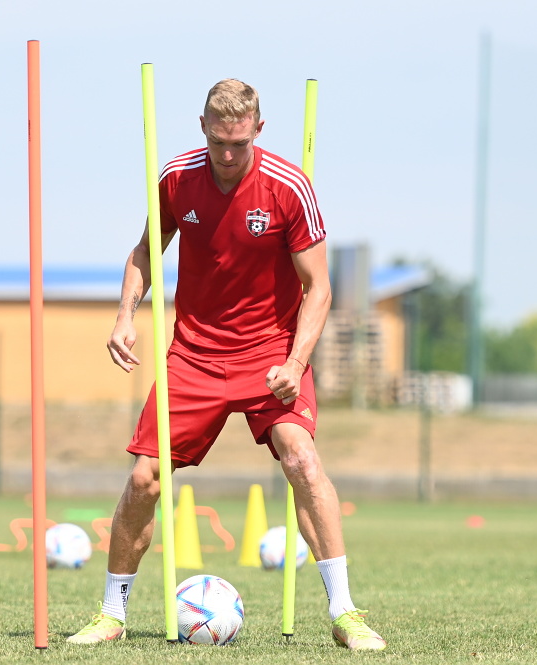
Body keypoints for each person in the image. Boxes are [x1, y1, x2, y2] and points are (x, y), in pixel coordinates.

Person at [67, 80, 386, 650]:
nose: (229, 154)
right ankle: (111, 614)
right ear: (203, 128)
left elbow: (318, 288)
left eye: (240, 143)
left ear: (258, 130)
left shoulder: (289, 187)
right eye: (218, 142)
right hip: (194, 354)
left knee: (303, 460)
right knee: (143, 479)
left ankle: (346, 613)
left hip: (272, 351)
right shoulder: (177, 178)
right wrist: (124, 316)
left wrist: (297, 362)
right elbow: (146, 250)